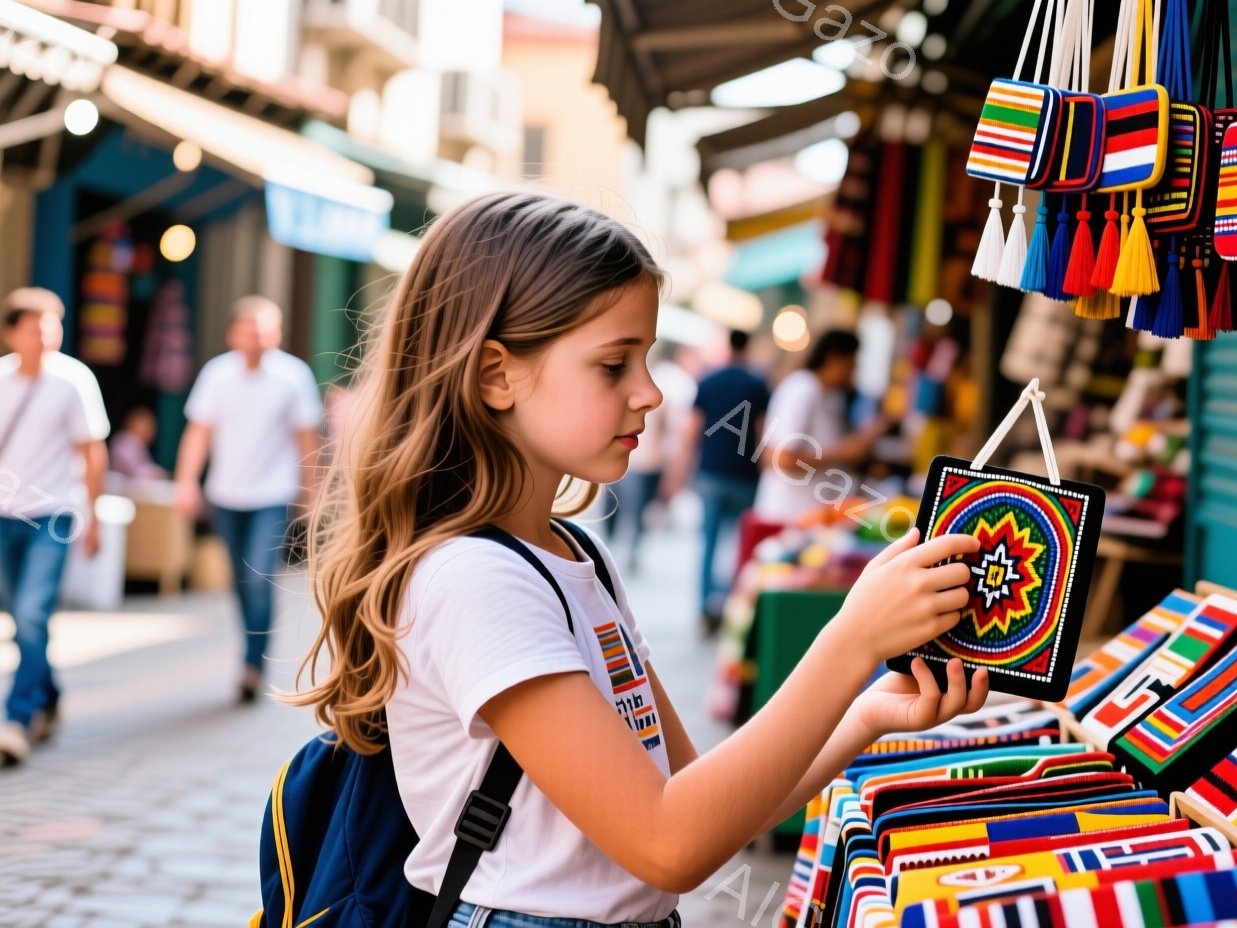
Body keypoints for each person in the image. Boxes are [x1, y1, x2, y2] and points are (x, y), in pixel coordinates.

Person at [288, 192, 987, 927]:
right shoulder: (473, 580)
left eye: (646, 359)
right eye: (613, 365)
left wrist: (867, 715)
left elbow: (701, 798)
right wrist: (850, 641)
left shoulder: (571, 554)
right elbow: (667, 842)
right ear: (496, 374)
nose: (650, 393)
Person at [174, 297, 323, 704]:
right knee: (241, 582)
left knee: (259, 578)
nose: (258, 337)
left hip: (272, 495)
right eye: (250, 329)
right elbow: (198, 432)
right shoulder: (216, 374)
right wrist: (186, 480)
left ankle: (251, 664)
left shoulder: (294, 376)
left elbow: (306, 441)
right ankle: (250, 652)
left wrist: (310, 496)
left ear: (277, 333)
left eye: (266, 329)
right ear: (234, 332)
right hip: (226, 494)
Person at [0, 288, 109, 766]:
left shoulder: (74, 380)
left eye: (53, 326)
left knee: (29, 614)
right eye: (34, 326)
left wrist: (95, 516)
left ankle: (16, 719)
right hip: (4, 515)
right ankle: (48, 692)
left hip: (53, 515)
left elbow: (92, 451)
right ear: (11, 332)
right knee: (20, 618)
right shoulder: (1, 379)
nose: (45, 336)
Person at [670, 329, 770, 631]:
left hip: (710, 473)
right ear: (748, 347)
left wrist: (679, 471)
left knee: (709, 542)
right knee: (738, 545)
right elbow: (761, 433)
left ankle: (703, 607)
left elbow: (691, 430)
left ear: (728, 346)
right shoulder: (757, 384)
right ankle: (730, 606)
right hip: (745, 476)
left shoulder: (708, 381)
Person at [753, 329, 891, 525]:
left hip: (812, 519)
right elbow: (779, 458)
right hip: (785, 518)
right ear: (834, 358)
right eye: (852, 362)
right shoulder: (802, 389)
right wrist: (842, 453)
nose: (855, 370)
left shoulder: (831, 396)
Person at [601, 345, 693, 571]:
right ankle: (618, 551)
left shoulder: (655, 390)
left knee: (625, 510)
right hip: (642, 462)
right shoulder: (658, 391)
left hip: (644, 462)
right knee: (630, 511)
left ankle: (620, 551)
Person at [109, 407, 167, 481]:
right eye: (146, 425)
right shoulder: (124, 441)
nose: (150, 430)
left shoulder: (139, 444)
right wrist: (159, 474)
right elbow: (135, 471)